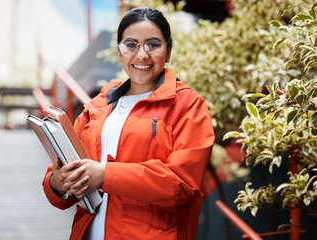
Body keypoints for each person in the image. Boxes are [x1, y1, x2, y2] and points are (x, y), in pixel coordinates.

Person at [42, 6, 215, 240]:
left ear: (169, 51)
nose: (142, 54)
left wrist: (105, 175)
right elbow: (64, 179)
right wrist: (58, 181)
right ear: (120, 51)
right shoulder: (98, 105)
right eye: (131, 45)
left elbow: (181, 184)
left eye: (153, 44)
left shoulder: (187, 106)